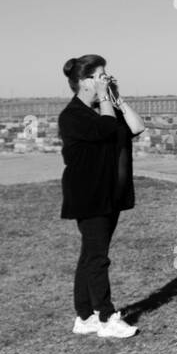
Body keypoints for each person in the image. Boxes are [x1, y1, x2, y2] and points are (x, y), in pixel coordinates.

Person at [59, 55, 145, 338]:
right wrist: (105, 99)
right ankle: (107, 318)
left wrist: (116, 99)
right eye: (100, 76)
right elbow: (107, 129)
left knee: (90, 256)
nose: (106, 79)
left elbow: (136, 127)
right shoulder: (72, 116)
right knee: (97, 258)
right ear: (84, 83)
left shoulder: (104, 109)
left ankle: (84, 317)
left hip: (110, 195)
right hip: (88, 195)